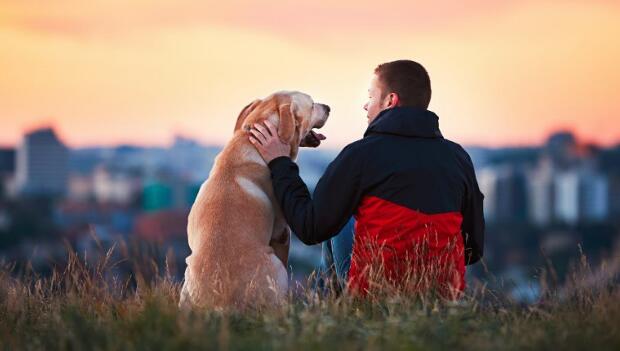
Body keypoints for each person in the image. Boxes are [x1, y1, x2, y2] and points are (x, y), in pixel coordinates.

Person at [248, 60, 485, 298]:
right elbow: (473, 249)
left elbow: (310, 228)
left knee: (338, 219)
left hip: (376, 293)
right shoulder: (458, 158)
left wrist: (280, 162)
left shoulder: (360, 155)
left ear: (390, 101)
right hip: (442, 296)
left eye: (371, 97)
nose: (365, 105)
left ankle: (330, 315)